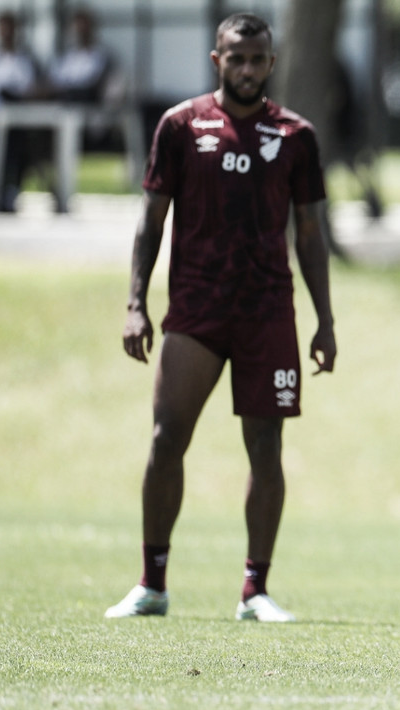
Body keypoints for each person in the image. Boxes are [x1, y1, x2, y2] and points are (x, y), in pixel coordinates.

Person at [105, 13, 336, 623]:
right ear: (217, 60)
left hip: (267, 313)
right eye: (236, 58)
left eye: (258, 59)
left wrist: (326, 320)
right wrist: (136, 304)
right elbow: (151, 220)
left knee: (266, 447)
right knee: (165, 439)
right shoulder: (180, 126)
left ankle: (255, 591)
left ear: (271, 63)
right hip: (196, 312)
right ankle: (152, 583)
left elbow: (310, 234)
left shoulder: (296, 135)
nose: (247, 69)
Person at [0, 10, 40, 212]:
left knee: (17, 139)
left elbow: (32, 90)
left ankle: (9, 189)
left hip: (18, 120)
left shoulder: (26, 60)